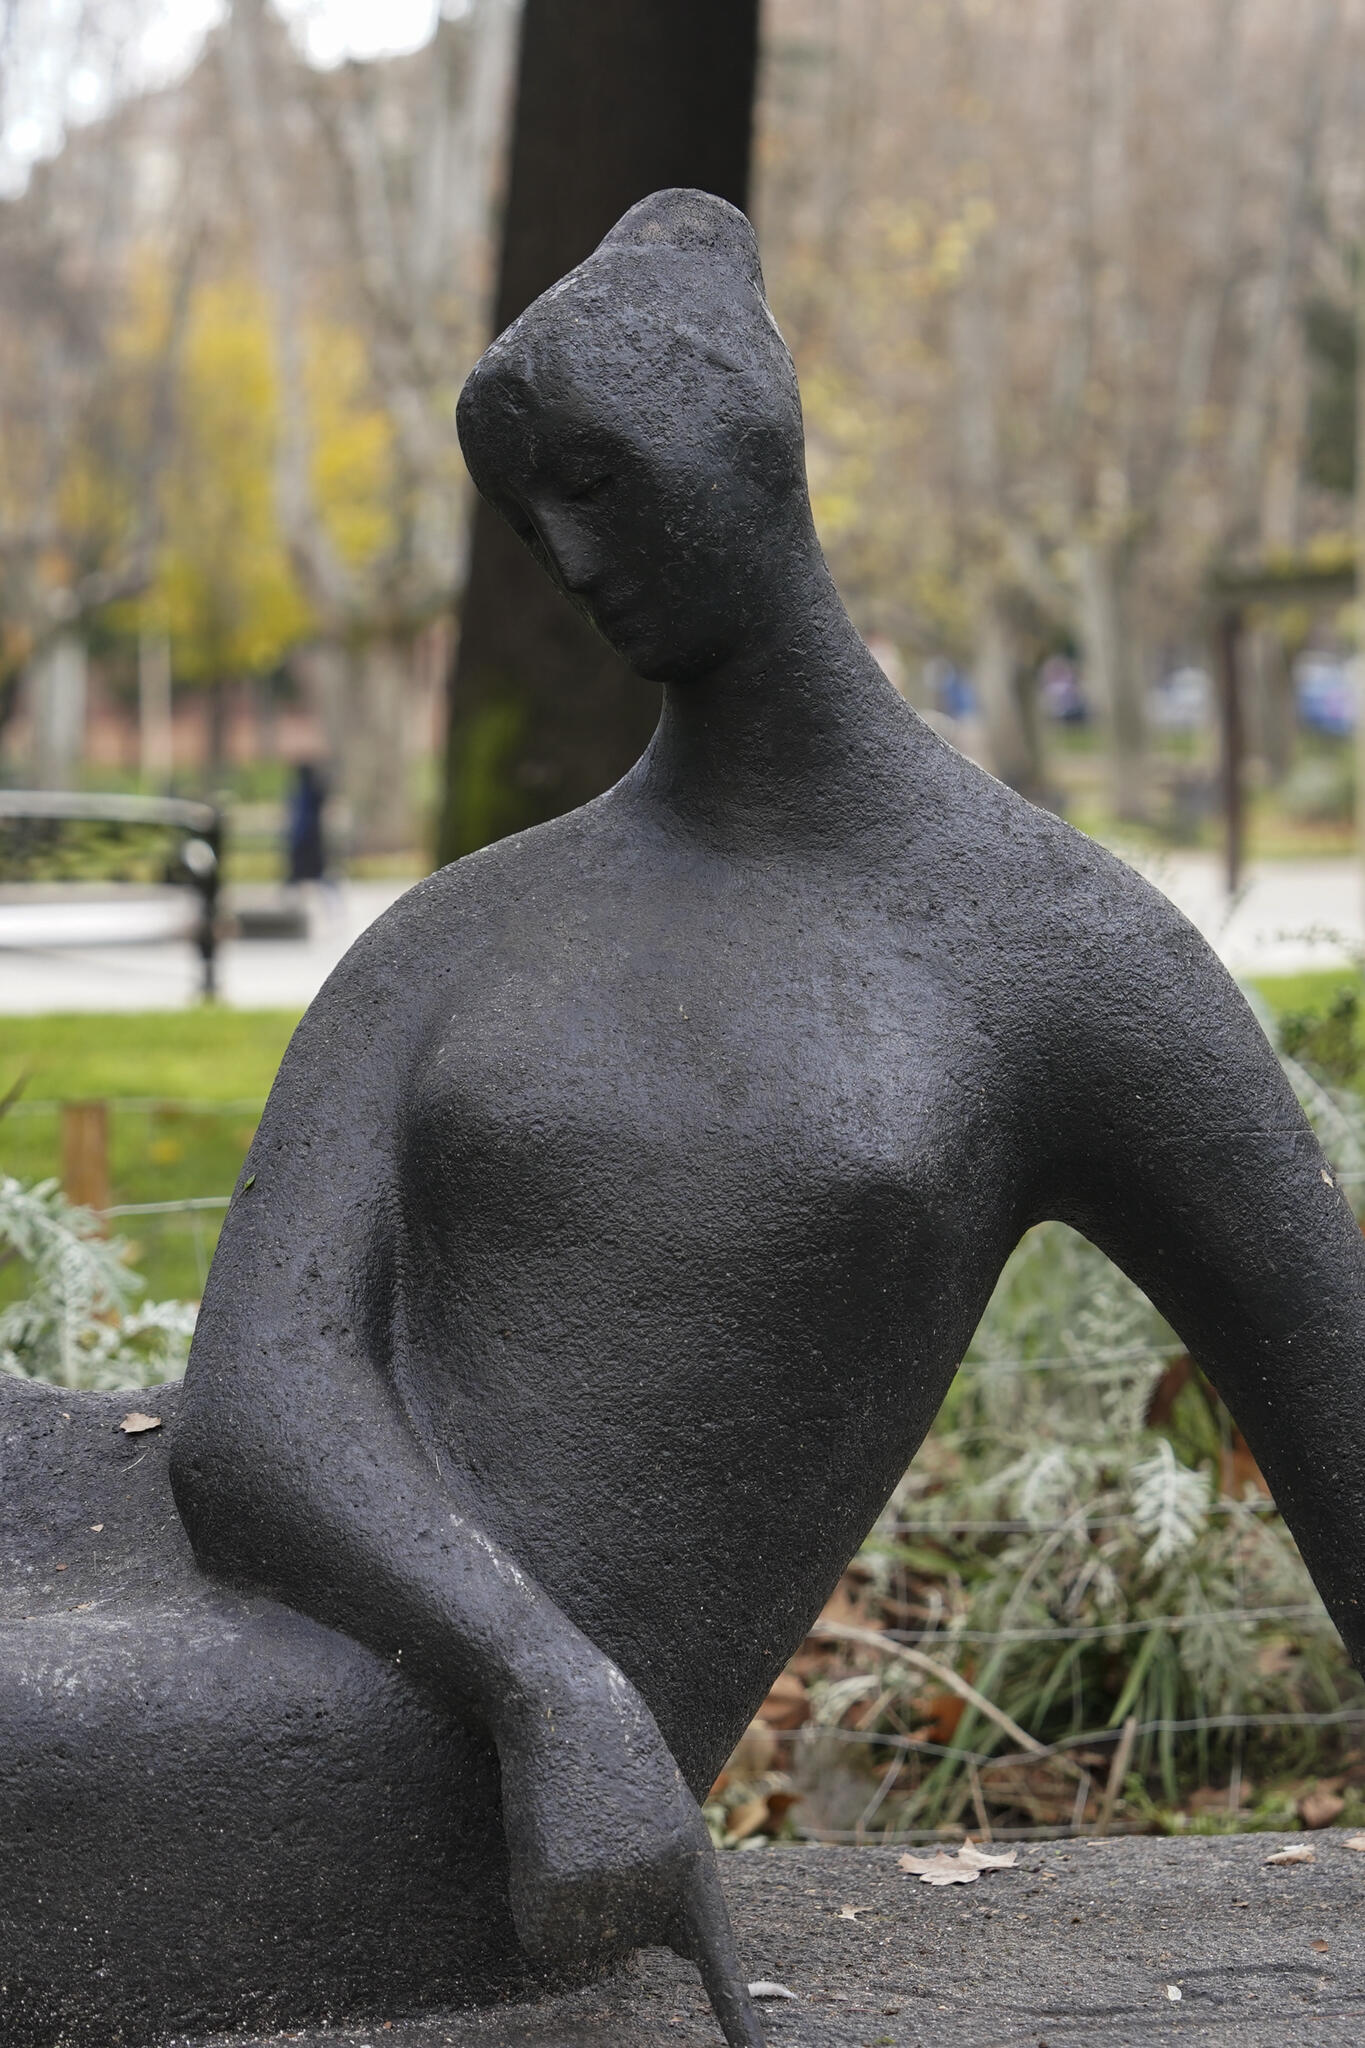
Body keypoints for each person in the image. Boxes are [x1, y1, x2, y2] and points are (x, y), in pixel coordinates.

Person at [7, 190, 1365, 2048]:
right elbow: (255, 1398)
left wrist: (551, 1704)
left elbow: (1335, 1407)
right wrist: (541, 1674)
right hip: (438, 1645)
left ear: (747, 449)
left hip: (428, 1759)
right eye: (528, 513)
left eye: (598, 480)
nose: (568, 556)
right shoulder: (463, 932)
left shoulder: (1052, 959)